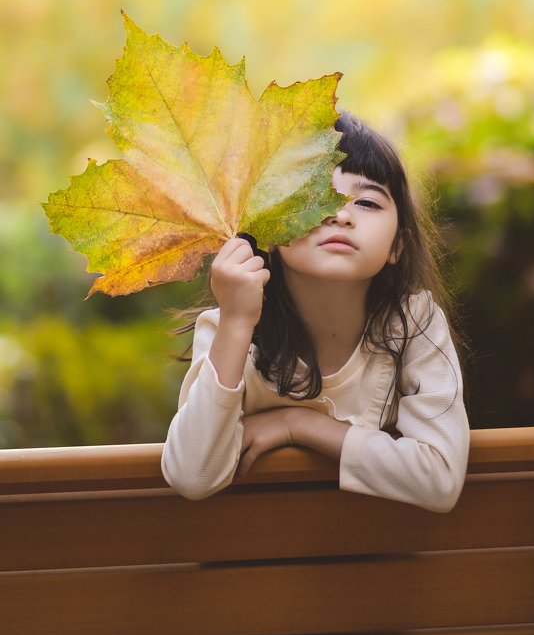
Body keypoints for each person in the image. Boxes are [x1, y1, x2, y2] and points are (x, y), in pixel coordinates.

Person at [161, 112, 470, 513]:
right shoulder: (230, 329)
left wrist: (300, 425)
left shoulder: (414, 324)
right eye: (313, 196)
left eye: (367, 201)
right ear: (269, 231)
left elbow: (440, 480)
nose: (340, 214)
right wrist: (237, 322)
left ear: (398, 245)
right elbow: (191, 475)